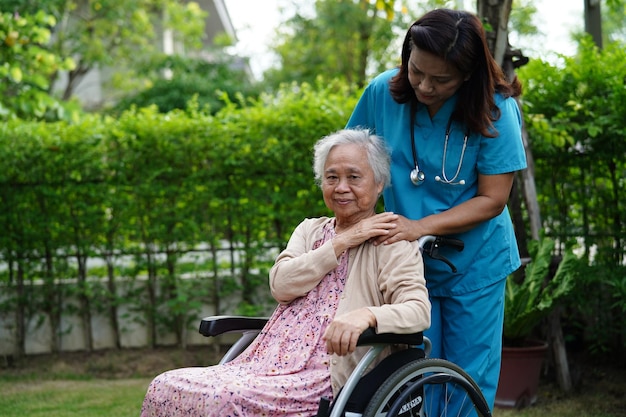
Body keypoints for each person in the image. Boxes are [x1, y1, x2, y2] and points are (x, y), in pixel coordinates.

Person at [140, 128, 431, 417]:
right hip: (263, 362)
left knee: (222, 399)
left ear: (379, 183)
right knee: (163, 385)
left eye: (354, 177)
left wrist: (367, 315)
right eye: (331, 177)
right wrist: (343, 241)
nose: (341, 187)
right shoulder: (309, 230)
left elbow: (418, 310)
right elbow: (281, 285)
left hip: (319, 374)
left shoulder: (392, 243)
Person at [345, 8, 527, 411]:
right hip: (407, 266)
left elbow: (493, 199)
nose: (425, 86)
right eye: (416, 71)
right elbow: (354, 165)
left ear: (467, 73)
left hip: (474, 264)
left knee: (466, 379)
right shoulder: (382, 92)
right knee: (413, 375)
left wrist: (418, 226)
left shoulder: (496, 108)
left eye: (440, 79)